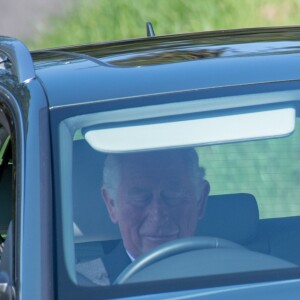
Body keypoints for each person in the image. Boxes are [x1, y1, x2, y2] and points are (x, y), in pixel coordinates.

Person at [99, 148, 210, 283]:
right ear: (111, 204)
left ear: (200, 200)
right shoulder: (80, 288)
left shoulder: (232, 275)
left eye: (173, 195)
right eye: (141, 198)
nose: (157, 215)